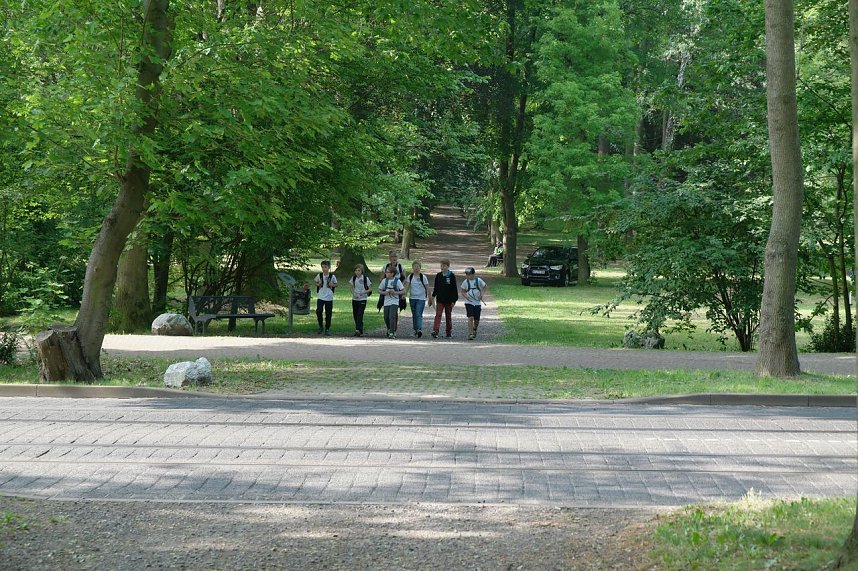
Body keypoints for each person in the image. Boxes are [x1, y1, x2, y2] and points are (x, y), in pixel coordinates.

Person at [431, 259, 458, 338]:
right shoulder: (438, 275)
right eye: (441, 266)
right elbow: (436, 288)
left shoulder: (451, 275)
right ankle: (435, 331)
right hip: (440, 299)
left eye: (444, 266)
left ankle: (448, 332)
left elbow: (454, 289)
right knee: (438, 314)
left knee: (448, 316)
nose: (442, 267)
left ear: (448, 266)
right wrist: (432, 297)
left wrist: (454, 300)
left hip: (449, 300)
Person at [460, 267, 488, 340]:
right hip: (469, 302)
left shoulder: (478, 281)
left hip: (477, 303)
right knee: (470, 317)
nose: (468, 276)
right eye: (467, 275)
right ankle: (470, 333)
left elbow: (485, 287)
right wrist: (466, 297)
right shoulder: (465, 282)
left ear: (473, 274)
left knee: (476, 320)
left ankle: (475, 328)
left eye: (470, 275)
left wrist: (481, 295)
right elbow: (462, 291)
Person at [405, 261, 431, 338]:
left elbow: (427, 288)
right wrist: (404, 295)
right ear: (412, 268)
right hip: (412, 298)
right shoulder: (410, 277)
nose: (416, 268)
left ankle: (419, 329)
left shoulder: (423, 277)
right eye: (415, 267)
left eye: (418, 267)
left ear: (420, 268)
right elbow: (407, 286)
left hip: (421, 298)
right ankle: (415, 330)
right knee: (414, 314)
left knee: (418, 314)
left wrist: (430, 298)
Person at [379, 266, 405, 339]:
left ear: (392, 273)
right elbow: (379, 290)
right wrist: (385, 292)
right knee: (386, 316)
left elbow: (403, 290)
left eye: (387, 272)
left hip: (395, 301)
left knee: (392, 316)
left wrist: (395, 292)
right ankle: (389, 328)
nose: (386, 273)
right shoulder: (384, 281)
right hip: (386, 301)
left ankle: (392, 332)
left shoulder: (397, 281)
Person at [314, 260, 337, 335]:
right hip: (320, 296)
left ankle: (327, 328)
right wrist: (318, 284)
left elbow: (336, 284)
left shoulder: (332, 276)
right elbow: (315, 282)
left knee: (328, 313)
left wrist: (332, 284)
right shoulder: (319, 275)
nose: (324, 269)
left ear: (329, 267)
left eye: (326, 267)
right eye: (323, 267)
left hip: (329, 297)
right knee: (318, 311)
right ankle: (320, 326)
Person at [348, 264, 372, 337]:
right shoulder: (354, 278)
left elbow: (370, 288)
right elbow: (351, 287)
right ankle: (360, 329)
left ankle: (357, 330)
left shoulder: (365, 279)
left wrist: (363, 292)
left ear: (362, 271)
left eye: (359, 270)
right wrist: (353, 293)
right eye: (356, 270)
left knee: (360, 314)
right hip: (355, 299)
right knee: (355, 315)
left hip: (363, 299)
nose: (357, 272)